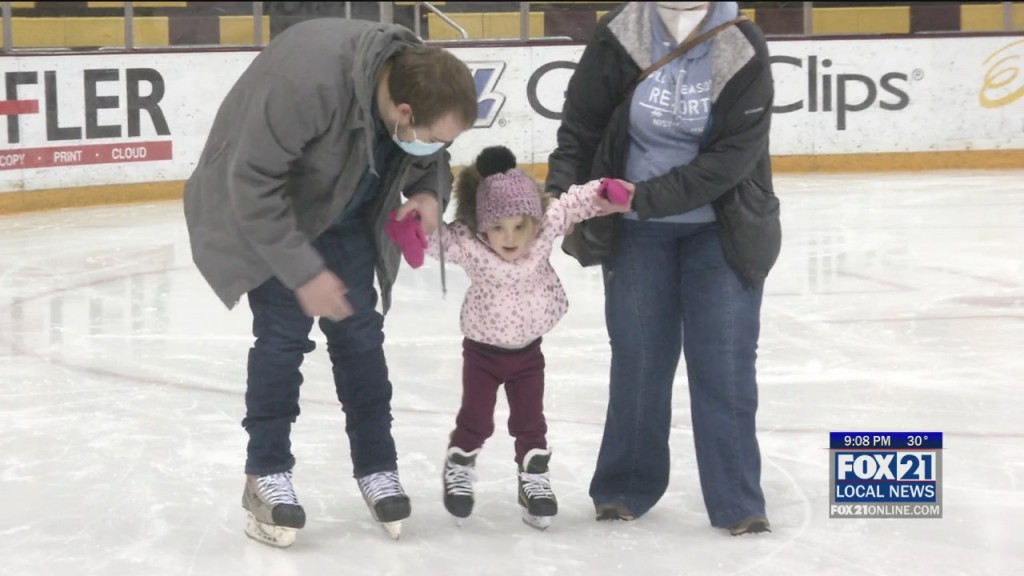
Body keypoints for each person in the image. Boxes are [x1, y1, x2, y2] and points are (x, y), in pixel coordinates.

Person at [182, 18, 478, 547]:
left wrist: (431, 192)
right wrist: (304, 272)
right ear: (404, 114)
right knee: (282, 338)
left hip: (349, 209)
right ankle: (265, 474)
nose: (432, 145)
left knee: (361, 335)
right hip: (274, 213)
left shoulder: (414, 76)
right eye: (429, 136)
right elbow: (251, 183)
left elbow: (433, 153)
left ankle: (376, 466)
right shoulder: (309, 85)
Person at [544, 1, 781, 536]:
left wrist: (639, 196)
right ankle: (624, 488)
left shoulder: (743, 46)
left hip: (721, 228)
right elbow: (579, 130)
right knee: (639, 357)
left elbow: (729, 162)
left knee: (723, 362)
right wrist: (559, 192)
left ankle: (738, 499)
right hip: (634, 229)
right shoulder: (618, 35)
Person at [422, 146, 629, 530]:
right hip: (483, 353)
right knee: (477, 419)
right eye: (498, 228)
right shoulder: (470, 244)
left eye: (519, 226)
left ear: (532, 221)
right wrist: (412, 229)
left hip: (529, 353)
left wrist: (604, 190)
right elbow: (439, 242)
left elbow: (570, 205)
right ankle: (460, 463)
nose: (510, 238)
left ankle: (533, 480)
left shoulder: (542, 229)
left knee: (531, 422)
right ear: (483, 225)